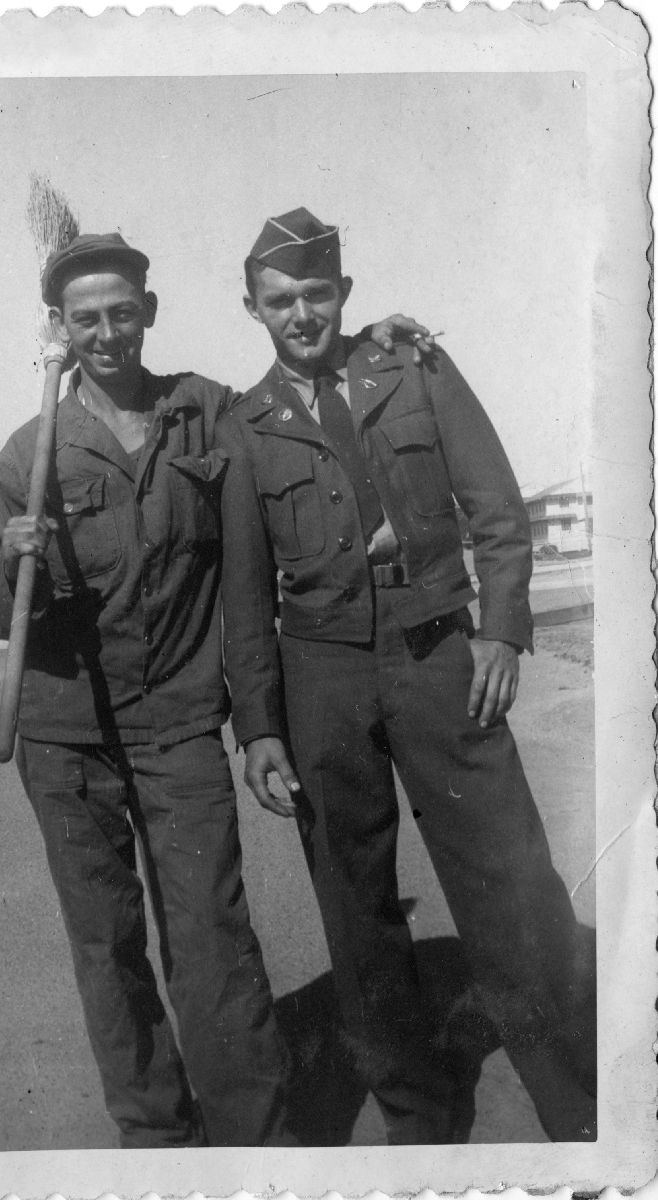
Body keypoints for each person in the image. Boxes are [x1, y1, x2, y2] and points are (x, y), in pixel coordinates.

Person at [0, 231, 436, 1148]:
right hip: (65, 737)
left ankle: (254, 1140)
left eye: (121, 313)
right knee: (108, 950)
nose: (107, 333)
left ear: (148, 312)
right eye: (85, 320)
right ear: (59, 331)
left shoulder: (207, 415)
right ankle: (156, 1141)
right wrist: (12, 560)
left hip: (180, 727)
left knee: (214, 943)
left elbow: (294, 387)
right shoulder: (31, 451)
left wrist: (365, 341)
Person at [215, 207, 597, 1144]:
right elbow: (244, 592)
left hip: (437, 658)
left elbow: (497, 507)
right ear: (253, 308)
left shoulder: (413, 366)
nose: (299, 314)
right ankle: (416, 1114)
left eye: (315, 294)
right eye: (279, 301)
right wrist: (261, 726)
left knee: (509, 882)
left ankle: (574, 1101)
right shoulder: (246, 423)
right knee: (355, 907)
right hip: (322, 680)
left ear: (343, 293)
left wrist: (502, 632)